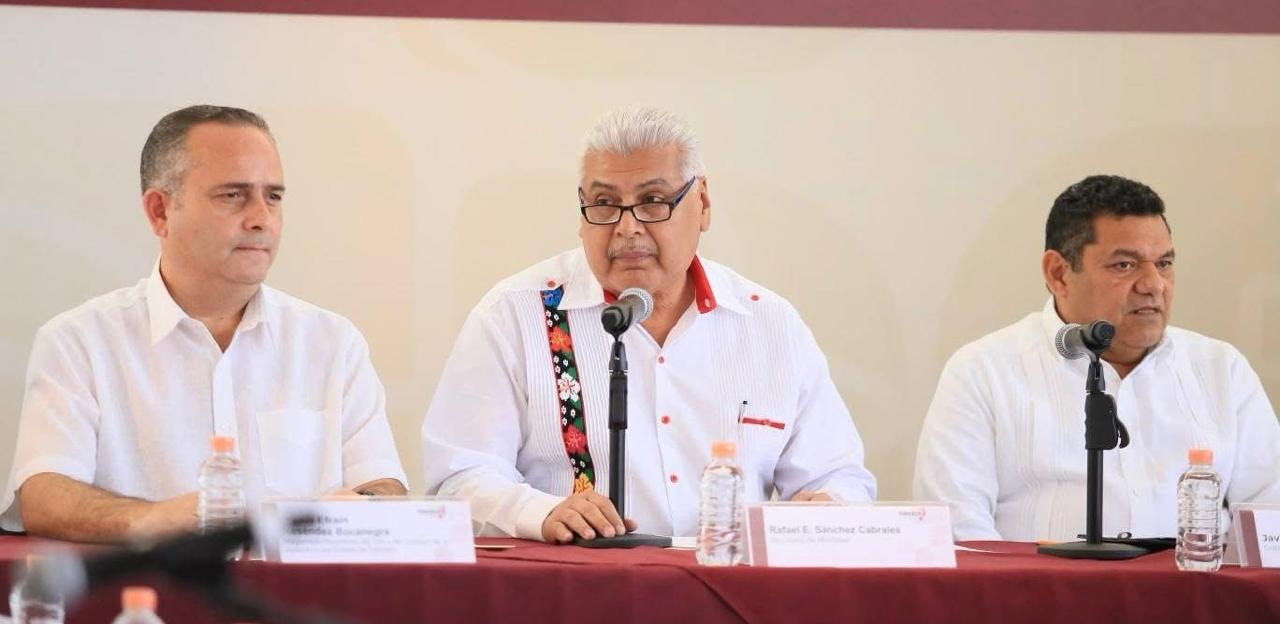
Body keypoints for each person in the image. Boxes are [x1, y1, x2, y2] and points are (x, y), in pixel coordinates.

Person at [422, 107, 876, 543]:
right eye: (604, 204)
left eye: (653, 201)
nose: (627, 227)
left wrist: (828, 506)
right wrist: (539, 512)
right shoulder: (515, 315)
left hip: (728, 584)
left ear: (702, 204)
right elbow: (458, 476)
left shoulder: (769, 324)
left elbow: (837, 476)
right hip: (572, 585)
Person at [1, 105, 407, 543]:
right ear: (160, 211)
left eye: (273, 197)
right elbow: (44, 495)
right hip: (150, 584)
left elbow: (383, 482)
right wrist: (156, 520)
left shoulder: (333, 342)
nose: (261, 219)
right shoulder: (79, 342)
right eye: (233, 195)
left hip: (296, 588)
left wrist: (363, 506)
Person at [914, 174, 1280, 541]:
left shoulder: (1221, 369)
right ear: (1058, 274)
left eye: (1164, 263)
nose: (1153, 284)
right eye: (1124, 265)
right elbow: (958, 532)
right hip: (1035, 581)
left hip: (1195, 579)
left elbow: (1271, 521)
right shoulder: (983, 372)